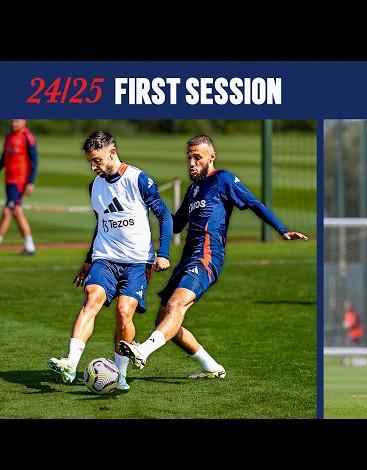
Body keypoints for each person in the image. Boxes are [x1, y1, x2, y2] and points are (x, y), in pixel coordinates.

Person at [117, 135, 308, 378]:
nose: (192, 163)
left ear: (211, 157)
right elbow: (175, 225)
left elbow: (253, 203)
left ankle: (143, 350)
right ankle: (212, 367)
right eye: (189, 158)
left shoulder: (223, 179)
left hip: (207, 257)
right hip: (187, 260)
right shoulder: (193, 190)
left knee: (177, 304)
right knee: (164, 321)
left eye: (197, 157)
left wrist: (282, 230)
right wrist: (148, 208)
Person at [47, 131, 173, 391]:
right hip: (105, 258)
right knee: (92, 297)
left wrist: (164, 253)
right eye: (90, 162)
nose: (93, 167)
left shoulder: (139, 179)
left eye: (96, 160)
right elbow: (101, 225)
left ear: (112, 152)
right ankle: (70, 363)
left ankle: (121, 374)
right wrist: (87, 260)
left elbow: (165, 216)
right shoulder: (95, 186)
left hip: (138, 262)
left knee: (123, 313)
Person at [0, 119, 38, 254]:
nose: (13, 123)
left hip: (19, 181)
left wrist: (30, 182)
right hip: (9, 180)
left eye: (17, 121)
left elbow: (34, 161)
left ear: (24, 121)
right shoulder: (9, 137)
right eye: (12, 121)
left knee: (7, 211)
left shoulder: (27, 137)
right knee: (16, 211)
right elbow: (4, 158)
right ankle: (29, 246)